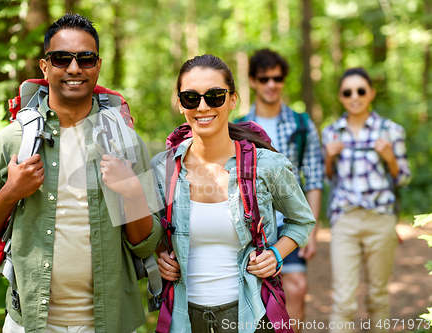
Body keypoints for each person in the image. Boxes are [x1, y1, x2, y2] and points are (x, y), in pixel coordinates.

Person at [0, 13, 161, 333]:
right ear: (44, 66)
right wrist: (11, 191)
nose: (74, 68)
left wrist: (133, 191)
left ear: (98, 64)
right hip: (30, 321)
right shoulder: (11, 141)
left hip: (110, 322)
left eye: (86, 58)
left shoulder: (125, 142)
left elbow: (146, 244)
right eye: (61, 58)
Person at [152, 54, 316, 333]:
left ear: (232, 100)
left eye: (214, 96)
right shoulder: (162, 167)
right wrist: (160, 255)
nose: (203, 106)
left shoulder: (267, 165)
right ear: (180, 104)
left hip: (250, 316)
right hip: (184, 318)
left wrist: (276, 254)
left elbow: (303, 220)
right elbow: (147, 232)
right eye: (191, 98)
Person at [236, 48, 324, 333]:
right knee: (253, 297)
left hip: (289, 225)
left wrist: (312, 229)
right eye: (264, 79)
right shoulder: (237, 128)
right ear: (252, 81)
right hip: (250, 226)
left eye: (277, 78)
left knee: (296, 287)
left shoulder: (301, 124)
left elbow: (312, 178)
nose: (271, 84)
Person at [322, 67, 411, 333]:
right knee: (343, 301)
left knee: (378, 296)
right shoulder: (331, 133)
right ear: (340, 97)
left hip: (380, 220)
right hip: (345, 221)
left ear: (371, 93)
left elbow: (403, 177)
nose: (355, 96)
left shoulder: (391, 130)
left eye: (361, 90)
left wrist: (391, 158)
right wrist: (328, 157)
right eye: (347, 92)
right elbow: (328, 179)